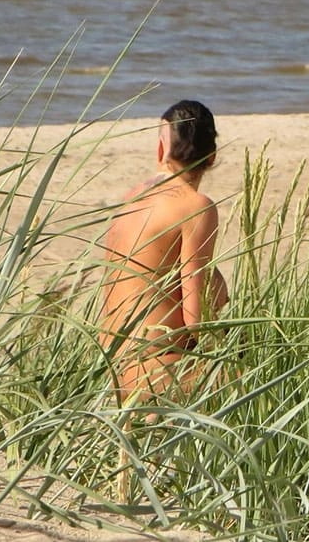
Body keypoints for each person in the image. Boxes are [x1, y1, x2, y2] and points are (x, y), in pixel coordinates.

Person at [100, 99, 229, 402]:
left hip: (113, 369)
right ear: (211, 157)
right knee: (265, 375)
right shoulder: (195, 206)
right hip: (157, 371)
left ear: (161, 150)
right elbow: (196, 321)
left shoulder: (133, 196)